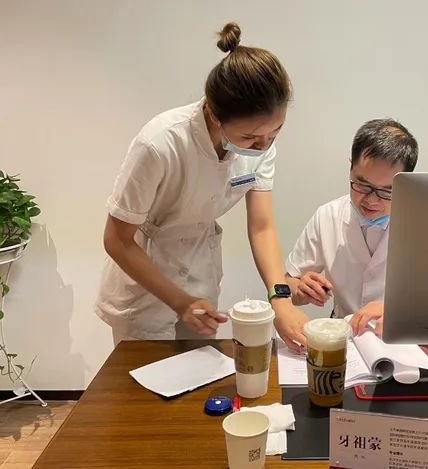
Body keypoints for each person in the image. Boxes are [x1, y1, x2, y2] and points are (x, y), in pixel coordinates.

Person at [95, 22, 309, 350]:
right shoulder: (160, 143)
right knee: (144, 378)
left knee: (198, 375)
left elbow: (262, 226)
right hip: (145, 281)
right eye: (250, 137)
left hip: (200, 272)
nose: (263, 145)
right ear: (213, 115)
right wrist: (179, 301)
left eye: (275, 132)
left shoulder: (262, 144)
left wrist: (280, 300)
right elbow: (117, 240)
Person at [285, 119, 418, 337]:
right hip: (342, 334)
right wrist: (299, 289)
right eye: (363, 185)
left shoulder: (424, 223)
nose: (371, 200)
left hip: (400, 337)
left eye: (387, 191)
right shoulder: (327, 216)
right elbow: (287, 282)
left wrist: (396, 309)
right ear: (350, 168)